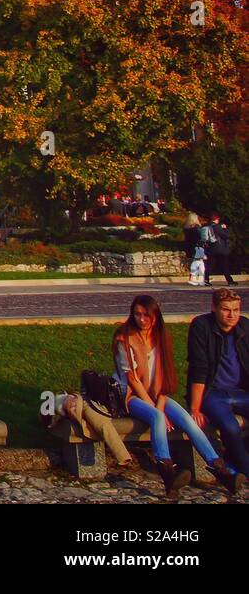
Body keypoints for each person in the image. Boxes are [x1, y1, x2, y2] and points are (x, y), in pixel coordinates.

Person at [113, 294, 241, 497]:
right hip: (132, 396)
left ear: (155, 316)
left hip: (157, 392)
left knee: (189, 422)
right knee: (157, 417)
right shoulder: (124, 337)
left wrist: (161, 402)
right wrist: (157, 409)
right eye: (137, 314)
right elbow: (132, 379)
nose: (142, 319)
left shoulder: (161, 337)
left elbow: (165, 376)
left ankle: (220, 468)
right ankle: (167, 470)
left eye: (147, 315)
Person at [188, 288, 249, 490]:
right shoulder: (201, 326)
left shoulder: (245, 327)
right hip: (211, 392)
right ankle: (245, 469)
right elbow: (199, 367)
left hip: (239, 391)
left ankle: (234, 462)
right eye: (225, 310)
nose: (232, 315)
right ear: (214, 308)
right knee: (230, 426)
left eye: (236, 309)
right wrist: (195, 408)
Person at [205, 213, 236, 286]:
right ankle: (230, 281)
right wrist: (225, 229)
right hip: (220, 249)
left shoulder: (207, 227)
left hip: (211, 249)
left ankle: (206, 280)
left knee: (210, 266)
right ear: (217, 219)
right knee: (224, 265)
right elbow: (226, 236)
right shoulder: (217, 227)